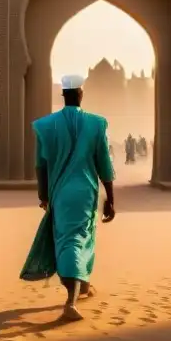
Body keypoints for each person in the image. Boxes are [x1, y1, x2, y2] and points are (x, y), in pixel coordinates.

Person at [25, 74, 116, 321]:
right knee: (80, 238)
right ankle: (71, 301)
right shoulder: (96, 124)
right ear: (81, 94)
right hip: (86, 193)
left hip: (60, 193)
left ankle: (80, 288)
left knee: (68, 240)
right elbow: (104, 165)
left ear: (63, 95)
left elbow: (40, 166)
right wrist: (111, 197)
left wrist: (43, 195)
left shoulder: (45, 126)